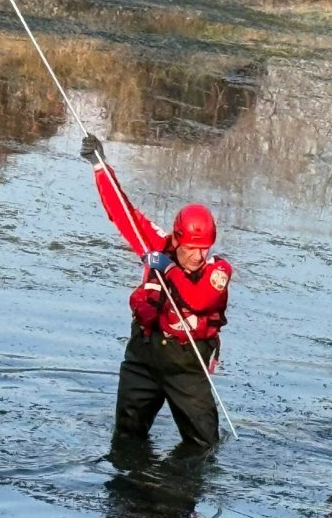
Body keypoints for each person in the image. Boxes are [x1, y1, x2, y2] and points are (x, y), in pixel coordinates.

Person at [81, 135, 231, 450]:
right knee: (126, 439)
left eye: (204, 249)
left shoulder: (218, 271)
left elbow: (198, 299)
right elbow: (124, 214)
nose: (198, 256)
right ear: (177, 240)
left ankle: (179, 492)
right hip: (144, 356)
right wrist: (99, 166)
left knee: (203, 447)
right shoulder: (157, 245)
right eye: (192, 248)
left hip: (186, 366)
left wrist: (168, 267)